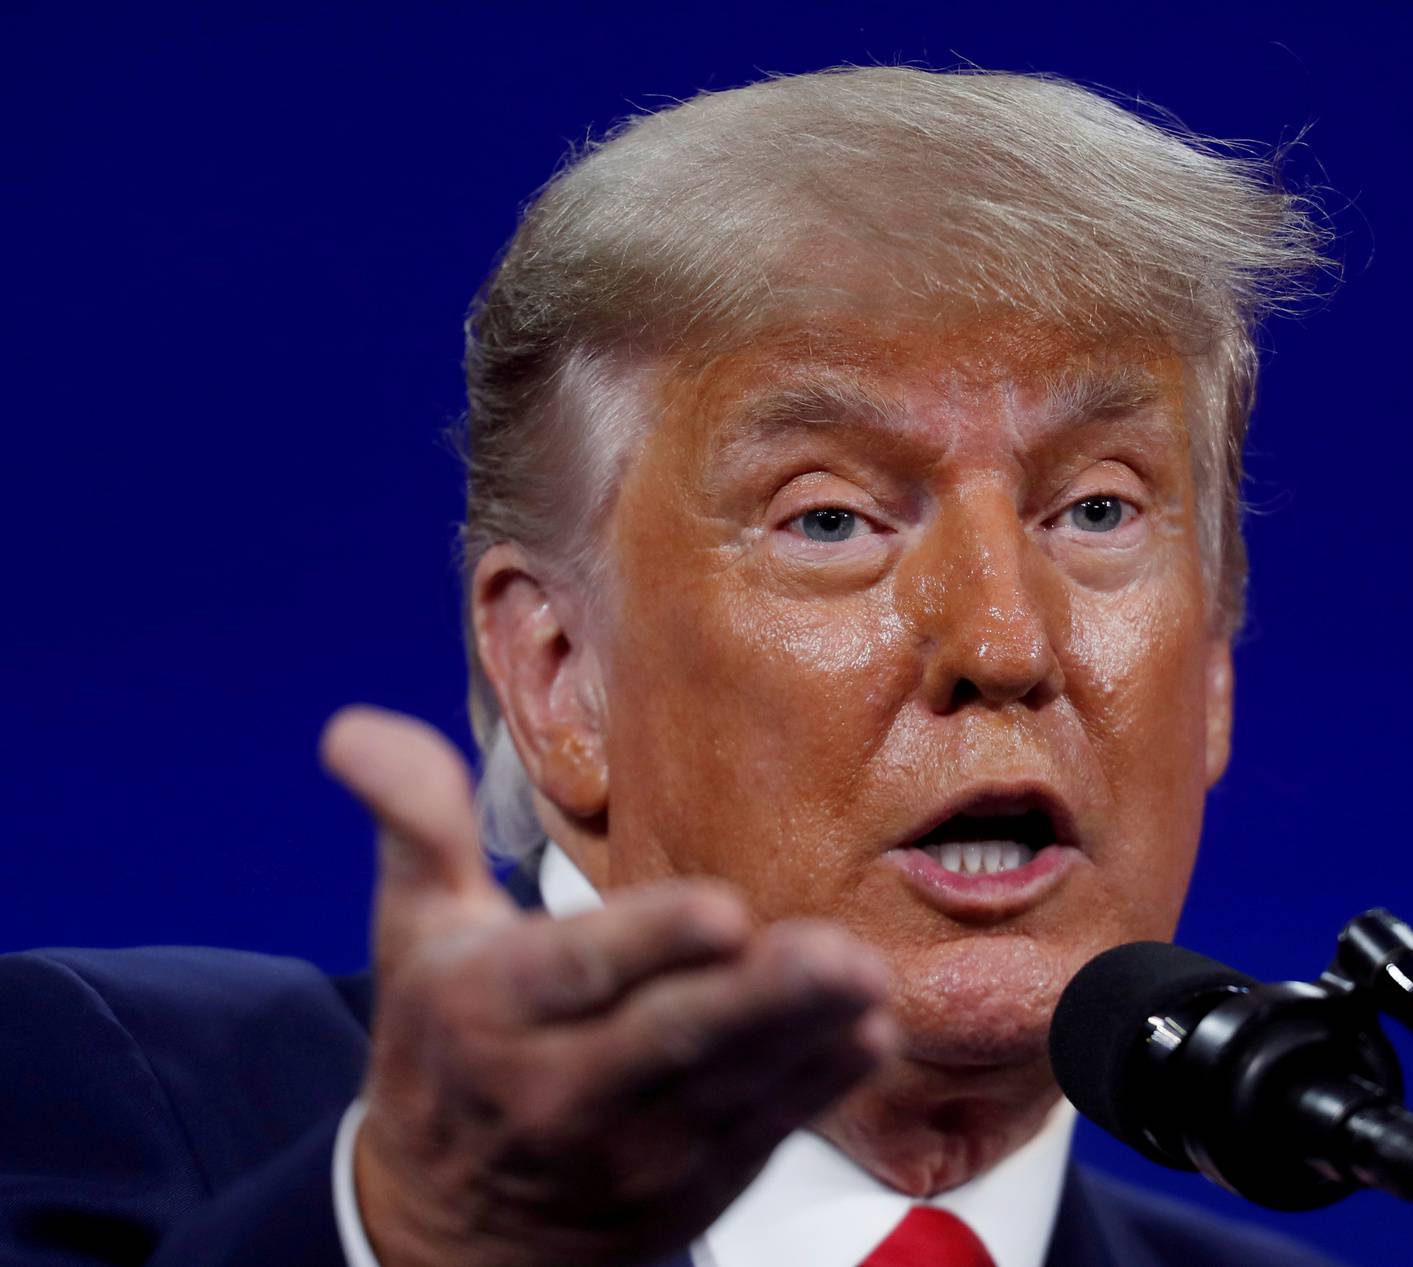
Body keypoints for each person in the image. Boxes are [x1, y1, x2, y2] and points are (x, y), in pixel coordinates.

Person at [0, 65, 1338, 1266]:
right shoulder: (104, 1092)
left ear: (1213, 672)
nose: (1005, 642)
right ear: (560, 675)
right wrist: (419, 1243)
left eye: (1097, 511)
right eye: (830, 519)